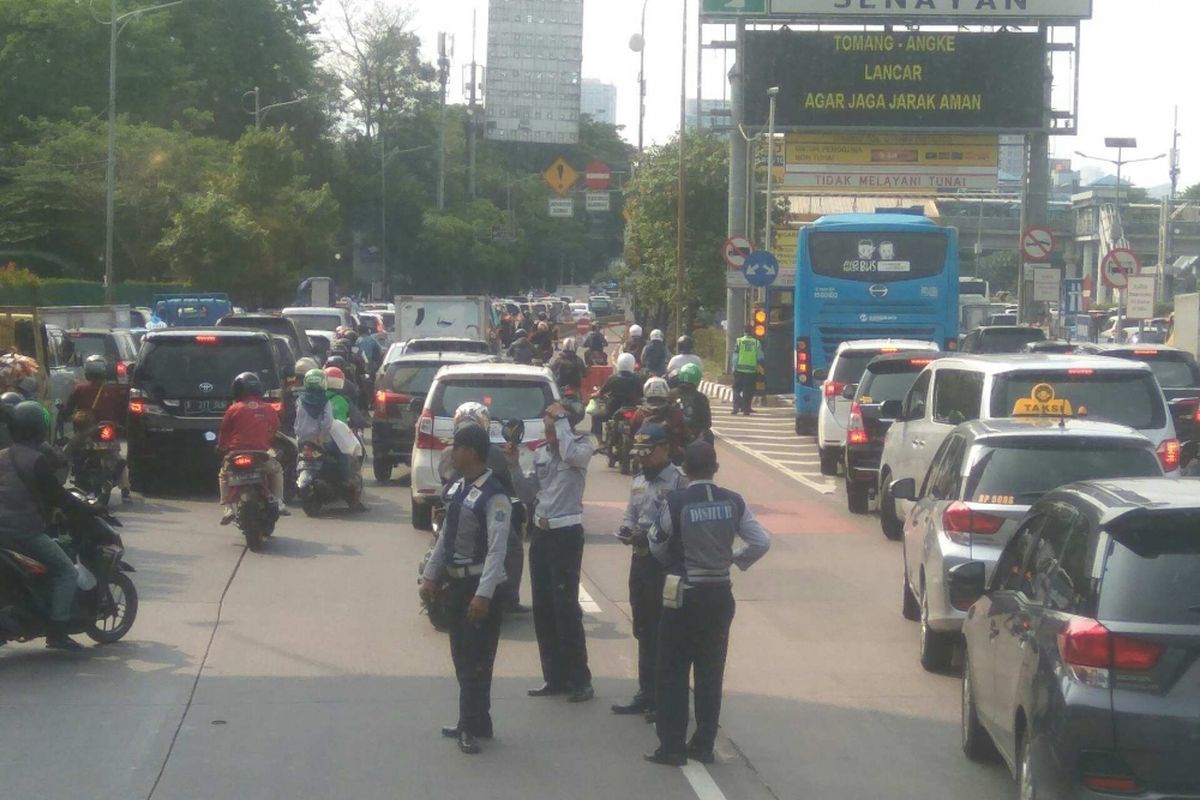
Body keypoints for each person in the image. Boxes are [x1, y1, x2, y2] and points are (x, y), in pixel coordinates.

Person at [645, 441, 771, 766]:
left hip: (684, 594)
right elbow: (761, 541)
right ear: (715, 468)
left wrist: (677, 562)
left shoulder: (677, 501)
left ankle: (671, 746)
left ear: (685, 469)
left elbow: (656, 543)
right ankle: (703, 744)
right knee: (709, 672)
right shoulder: (733, 502)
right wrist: (733, 559)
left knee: (672, 670)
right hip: (718, 595)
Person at [420, 424, 512, 755]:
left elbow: (497, 549)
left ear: (471, 452)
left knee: (476, 658)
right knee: (461, 654)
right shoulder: (459, 487)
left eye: (456, 448)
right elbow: (446, 535)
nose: (452, 453)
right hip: (457, 584)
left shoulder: (495, 495)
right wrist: (431, 575)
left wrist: (483, 595)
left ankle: (469, 725)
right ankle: (477, 720)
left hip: (479, 586)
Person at [504, 398, 595, 703]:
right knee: (543, 607)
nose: (550, 429)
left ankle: (580, 679)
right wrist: (514, 465)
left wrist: (562, 423)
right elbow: (528, 493)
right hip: (541, 533)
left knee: (566, 607)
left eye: (554, 424)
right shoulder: (541, 452)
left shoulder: (581, 446)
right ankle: (553, 676)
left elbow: (570, 453)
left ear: (567, 424)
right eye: (547, 423)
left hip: (566, 533)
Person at [612, 423, 688, 721]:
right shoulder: (640, 479)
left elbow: (679, 527)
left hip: (665, 565)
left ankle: (663, 696)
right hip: (640, 560)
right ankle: (646, 692)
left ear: (665, 448)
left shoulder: (679, 483)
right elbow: (632, 511)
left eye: (649, 452)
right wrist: (627, 528)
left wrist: (652, 538)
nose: (643, 459)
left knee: (664, 631)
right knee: (642, 627)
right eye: (639, 453)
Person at [0, 401, 88, 650]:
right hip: (23, 533)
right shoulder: (37, 461)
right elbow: (58, 496)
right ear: (39, 428)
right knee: (66, 572)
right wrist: (88, 509)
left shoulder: (3, 455)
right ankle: (58, 632)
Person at [438, 402, 529, 614]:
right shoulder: (493, 455)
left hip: (454, 511)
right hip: (465, 517)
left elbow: (443, 483)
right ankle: (511, 598)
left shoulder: (446, 453)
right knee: (512, 548)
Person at [217, 372, 288, 524]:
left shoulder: (233, 409)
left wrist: (222, 447)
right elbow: (275, 427)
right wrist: (266, 441)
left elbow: (224, 431)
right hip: (260, 454)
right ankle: (279, 501)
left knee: (224, 475)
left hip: (235, 453)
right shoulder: (268, 408)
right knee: (277, 470)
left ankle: (228, 507)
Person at [60, 355, 131, 501]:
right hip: (107, 431)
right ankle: (125, 489)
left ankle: (59, 481)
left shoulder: (79, 389)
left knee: (66, 452)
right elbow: (122, 412)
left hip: (85, 433)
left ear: (87, 372)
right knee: (116, 457)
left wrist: (65, 415)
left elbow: (68, 410)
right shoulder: (113, 390)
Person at [630, 377, 688, 461]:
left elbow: (632, 432)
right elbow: (685, 433)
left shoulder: (640, 412)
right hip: (672, 455)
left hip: (648, 457)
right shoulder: (674, 412)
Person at [592, 352, 643, 440]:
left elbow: (601, 393)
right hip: (631, 409)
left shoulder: (612, 378)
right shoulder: (637, 378)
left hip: (613, 409)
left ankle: (600, 443)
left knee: (595, 417)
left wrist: (594, 395)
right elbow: (641, 394)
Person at [674, 363, 713, 445]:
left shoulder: (671, 394)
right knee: (708, 435)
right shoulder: (701, 398)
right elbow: (707, 423)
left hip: (675, 436)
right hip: (693, 437)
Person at [732, 325, 764, 416]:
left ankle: (735, 407)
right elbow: (760, 357)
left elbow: (735, 356)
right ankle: (746, 409)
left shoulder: (739, 341)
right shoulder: (756, 343)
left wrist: (733, 367)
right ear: (752, 332)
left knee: (736, 389)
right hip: (751, 370)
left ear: (744, 332)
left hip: (739, 369)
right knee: (748, 390)